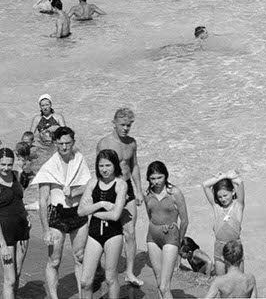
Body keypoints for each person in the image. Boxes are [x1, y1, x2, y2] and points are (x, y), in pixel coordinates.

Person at [31, 126, 92, 299]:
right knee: (54, 260)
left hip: (77, 213)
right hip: (57, 215)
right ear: (56, 144)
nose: (65, 147)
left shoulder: (79, 160)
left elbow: (89, 184)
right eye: (61, 144)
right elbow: (43, 200)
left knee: (79, 257)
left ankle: (82, 296)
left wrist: (74, 192)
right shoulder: (49, 166)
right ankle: (54, 297)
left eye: (68, 143)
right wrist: (45, 230)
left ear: (73, 142)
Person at [96, 108, 144, 287]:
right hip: (111, 189)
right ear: (113, 124)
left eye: (129, 125)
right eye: (122, 125)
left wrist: (139, 190)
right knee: (106, 231)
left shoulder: (132, 143)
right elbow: (101, 170)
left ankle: (130, 272)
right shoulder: (105, 144)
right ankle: (101, 267)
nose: (126, 128)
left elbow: (134, 166)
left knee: (130, 232)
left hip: (128, 188)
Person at [78, 149, 128, 299]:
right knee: (85, 281)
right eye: (101, 166)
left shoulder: (121, 184)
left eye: (108, 165)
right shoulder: (92, 183)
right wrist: (102, 203)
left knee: (110, 278)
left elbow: (115, 215)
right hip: (94, 234)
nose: (104, 170)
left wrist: (92, 211)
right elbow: (80, 211)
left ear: (115, 166)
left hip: (113, 234)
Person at [0, 148, 31, 299]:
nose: (6, 168)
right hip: (6, 233)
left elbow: (19, 200)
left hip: (22, 229)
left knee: (17, 274)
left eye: (9, 164)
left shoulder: (15, 176)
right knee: (9, 279)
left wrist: (27, 215)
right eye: (2, 164)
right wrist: (3, 245)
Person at [144, 161, 188, 299]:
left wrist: (180, 241)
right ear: (148, 179)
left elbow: (185, 220)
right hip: (152, 236)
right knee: (158, 281)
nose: (156, 182)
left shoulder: (174, 193)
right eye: (153, 178)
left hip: (171, 236)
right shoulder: (147, 194)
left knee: (164, 286)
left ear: (166, 176)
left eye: (159, 177)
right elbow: (150, 216)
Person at [202, 169, 245, 275]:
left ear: (233, 192)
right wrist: (222, 177)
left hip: (235, 248)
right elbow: (205, 185)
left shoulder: (238, 206)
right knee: (221, 281)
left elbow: (239, 182)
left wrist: (228, 176)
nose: (222, 199)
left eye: (225, 195)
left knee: (237, 281)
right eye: (219, 197)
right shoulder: (217, 208)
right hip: (219, 248)